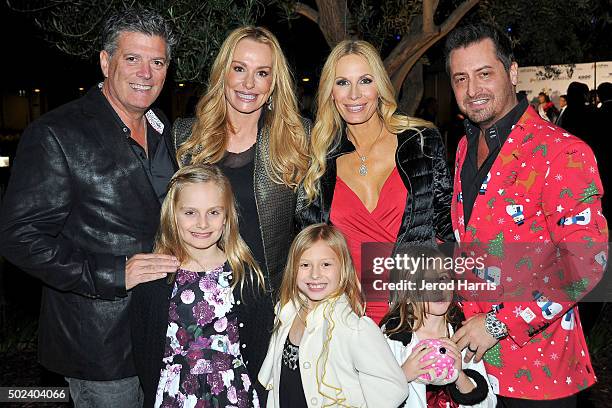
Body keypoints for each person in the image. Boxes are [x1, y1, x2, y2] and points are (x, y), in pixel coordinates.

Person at [0, 8, 179, 407]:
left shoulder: (161, 126)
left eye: (157, 61)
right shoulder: (56, 134)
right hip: (101, 347)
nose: (145, 73)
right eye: (132, 58)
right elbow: (18, 238)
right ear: (105, 61)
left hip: (164, 334)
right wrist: (113, 272)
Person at [444, 23, 607, 407]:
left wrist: (497, 323)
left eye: (485, 74)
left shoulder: (562, 151)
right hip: (475, 369)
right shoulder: (466, 147)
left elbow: (587, 263)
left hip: (538, 374)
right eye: (461, 78)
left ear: (512, 73)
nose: (473, 90)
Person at [297, 40, 454, 324]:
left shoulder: (421, 142)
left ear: (379, 87)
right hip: (349, 321)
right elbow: (310, 245)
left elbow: (449, 226)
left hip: (417, 316)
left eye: (365, 81)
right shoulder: (319, 161)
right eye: (343, 82)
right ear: (330, 92)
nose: (354, 94)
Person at [173, 26, 310, 298]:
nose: (249, 84)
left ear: (273, 83)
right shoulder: (185, 136)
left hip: (270, 300)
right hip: (200, 299)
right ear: (223, 72)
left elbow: (312, 228)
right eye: (239, 69)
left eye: (262, 73)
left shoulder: (297, 138)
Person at [130, 164, 273, 408]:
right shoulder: (154, 279)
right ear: (172, 214)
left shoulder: (246, 276)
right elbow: (144, 349)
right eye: (190, 213)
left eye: (214, 212)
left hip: (234, 395)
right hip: (174, 397)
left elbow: (260, 347)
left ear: (227, 215)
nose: (203, 223)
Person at [258, 223, 408, 407]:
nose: (315, 274)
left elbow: (394, 388)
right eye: (305, 265)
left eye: (326, 265)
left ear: (343, 269)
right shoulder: (287, 312)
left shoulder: (353, 327)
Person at [382, 246, 497, 408]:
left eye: (442, 278)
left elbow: (488, 404)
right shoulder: (393, 336)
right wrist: (404, 375)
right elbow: (374, 397)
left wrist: (459, 376)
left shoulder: (464, 333)